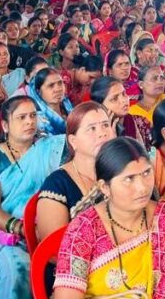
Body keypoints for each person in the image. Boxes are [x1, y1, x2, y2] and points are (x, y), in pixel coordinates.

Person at [51, 137, 165, 299]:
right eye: (129, 179)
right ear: (104, 187)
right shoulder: (83, 229)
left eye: (146, 173)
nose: (142, 187)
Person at [0, 96, 65, 299]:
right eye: (21, 117)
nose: (29, 121)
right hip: (5, 231)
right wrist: (24, 229)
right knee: (18, 268)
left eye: (33, 115)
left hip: (49, 225)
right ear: (5, 125)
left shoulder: (50, 148)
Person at [36, 102, 113, 243]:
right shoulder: (57, 185)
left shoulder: (121, 169)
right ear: (73, 141)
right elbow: (54, 249)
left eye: (106, 125)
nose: (102, 133)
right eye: (92, 128)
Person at [91, 76, 154, 151]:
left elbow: (144, 153)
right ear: (100, 106)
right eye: (114, 99)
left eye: (124, 93)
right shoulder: (96, 132)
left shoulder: (134, 120)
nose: (124, 100)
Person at [27, 67, 73, 136]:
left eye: (60, 83)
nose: (58, 89)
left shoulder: (68, 107)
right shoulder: (39, 121)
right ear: (38, 91)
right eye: (51, 85)